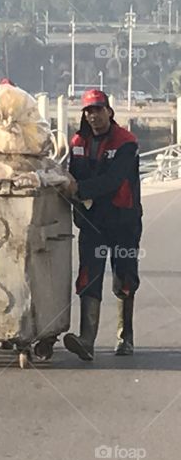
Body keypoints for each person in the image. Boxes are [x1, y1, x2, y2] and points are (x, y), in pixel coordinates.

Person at [62, 89, 142, 360]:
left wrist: (78, 188)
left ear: (109, 111)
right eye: (88, 111)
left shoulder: (126, 143)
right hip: (92, 223)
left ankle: (125, 337)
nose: (93, 115)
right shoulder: (77, 142)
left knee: (125, 279)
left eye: (97, 109)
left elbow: (113, 181)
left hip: (123, 222)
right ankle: (87, 340)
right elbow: (70, 175)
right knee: (88, 277)